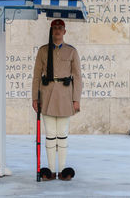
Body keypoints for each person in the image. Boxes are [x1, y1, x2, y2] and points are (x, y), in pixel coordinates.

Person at [31, 18, 82, 181]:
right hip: (47, 95)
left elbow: (78, 78)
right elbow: (36, 76)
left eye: (60, 28)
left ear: (65, 31)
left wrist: (76, 99)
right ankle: (51, 171)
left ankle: (62, 170)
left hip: (65, 95)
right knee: (50, 134)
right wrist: (35, 98)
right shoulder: (43, 51)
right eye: (55, 28)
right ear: (51, 31)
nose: (57, 31)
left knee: (62, 134)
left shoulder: (71, 51)